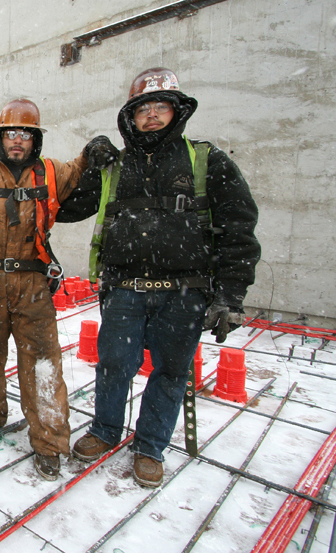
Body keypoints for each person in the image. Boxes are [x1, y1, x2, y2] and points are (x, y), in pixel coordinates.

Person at [59, 67, 261, 487]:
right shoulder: (115, 165)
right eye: (142, 109)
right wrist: (86, 161)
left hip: (184, 293)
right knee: (114, 365)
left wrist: (230, 295)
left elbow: (238, 229)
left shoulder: (206, 160)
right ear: (130, 117)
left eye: (160, 107)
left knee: (170, 373)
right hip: (124, 289)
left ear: (176, 111)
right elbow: (68, 209)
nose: (151, 115)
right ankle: (105, 430)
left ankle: (149, 447)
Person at [0, 99, 88, 481]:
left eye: (25, 134)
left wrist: (92, 153)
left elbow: (81, 172)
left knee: (42, 364)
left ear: (35, 139)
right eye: (10, 133)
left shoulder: (52, 172)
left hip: (32, 283)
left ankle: (48, 442)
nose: (17, 141)